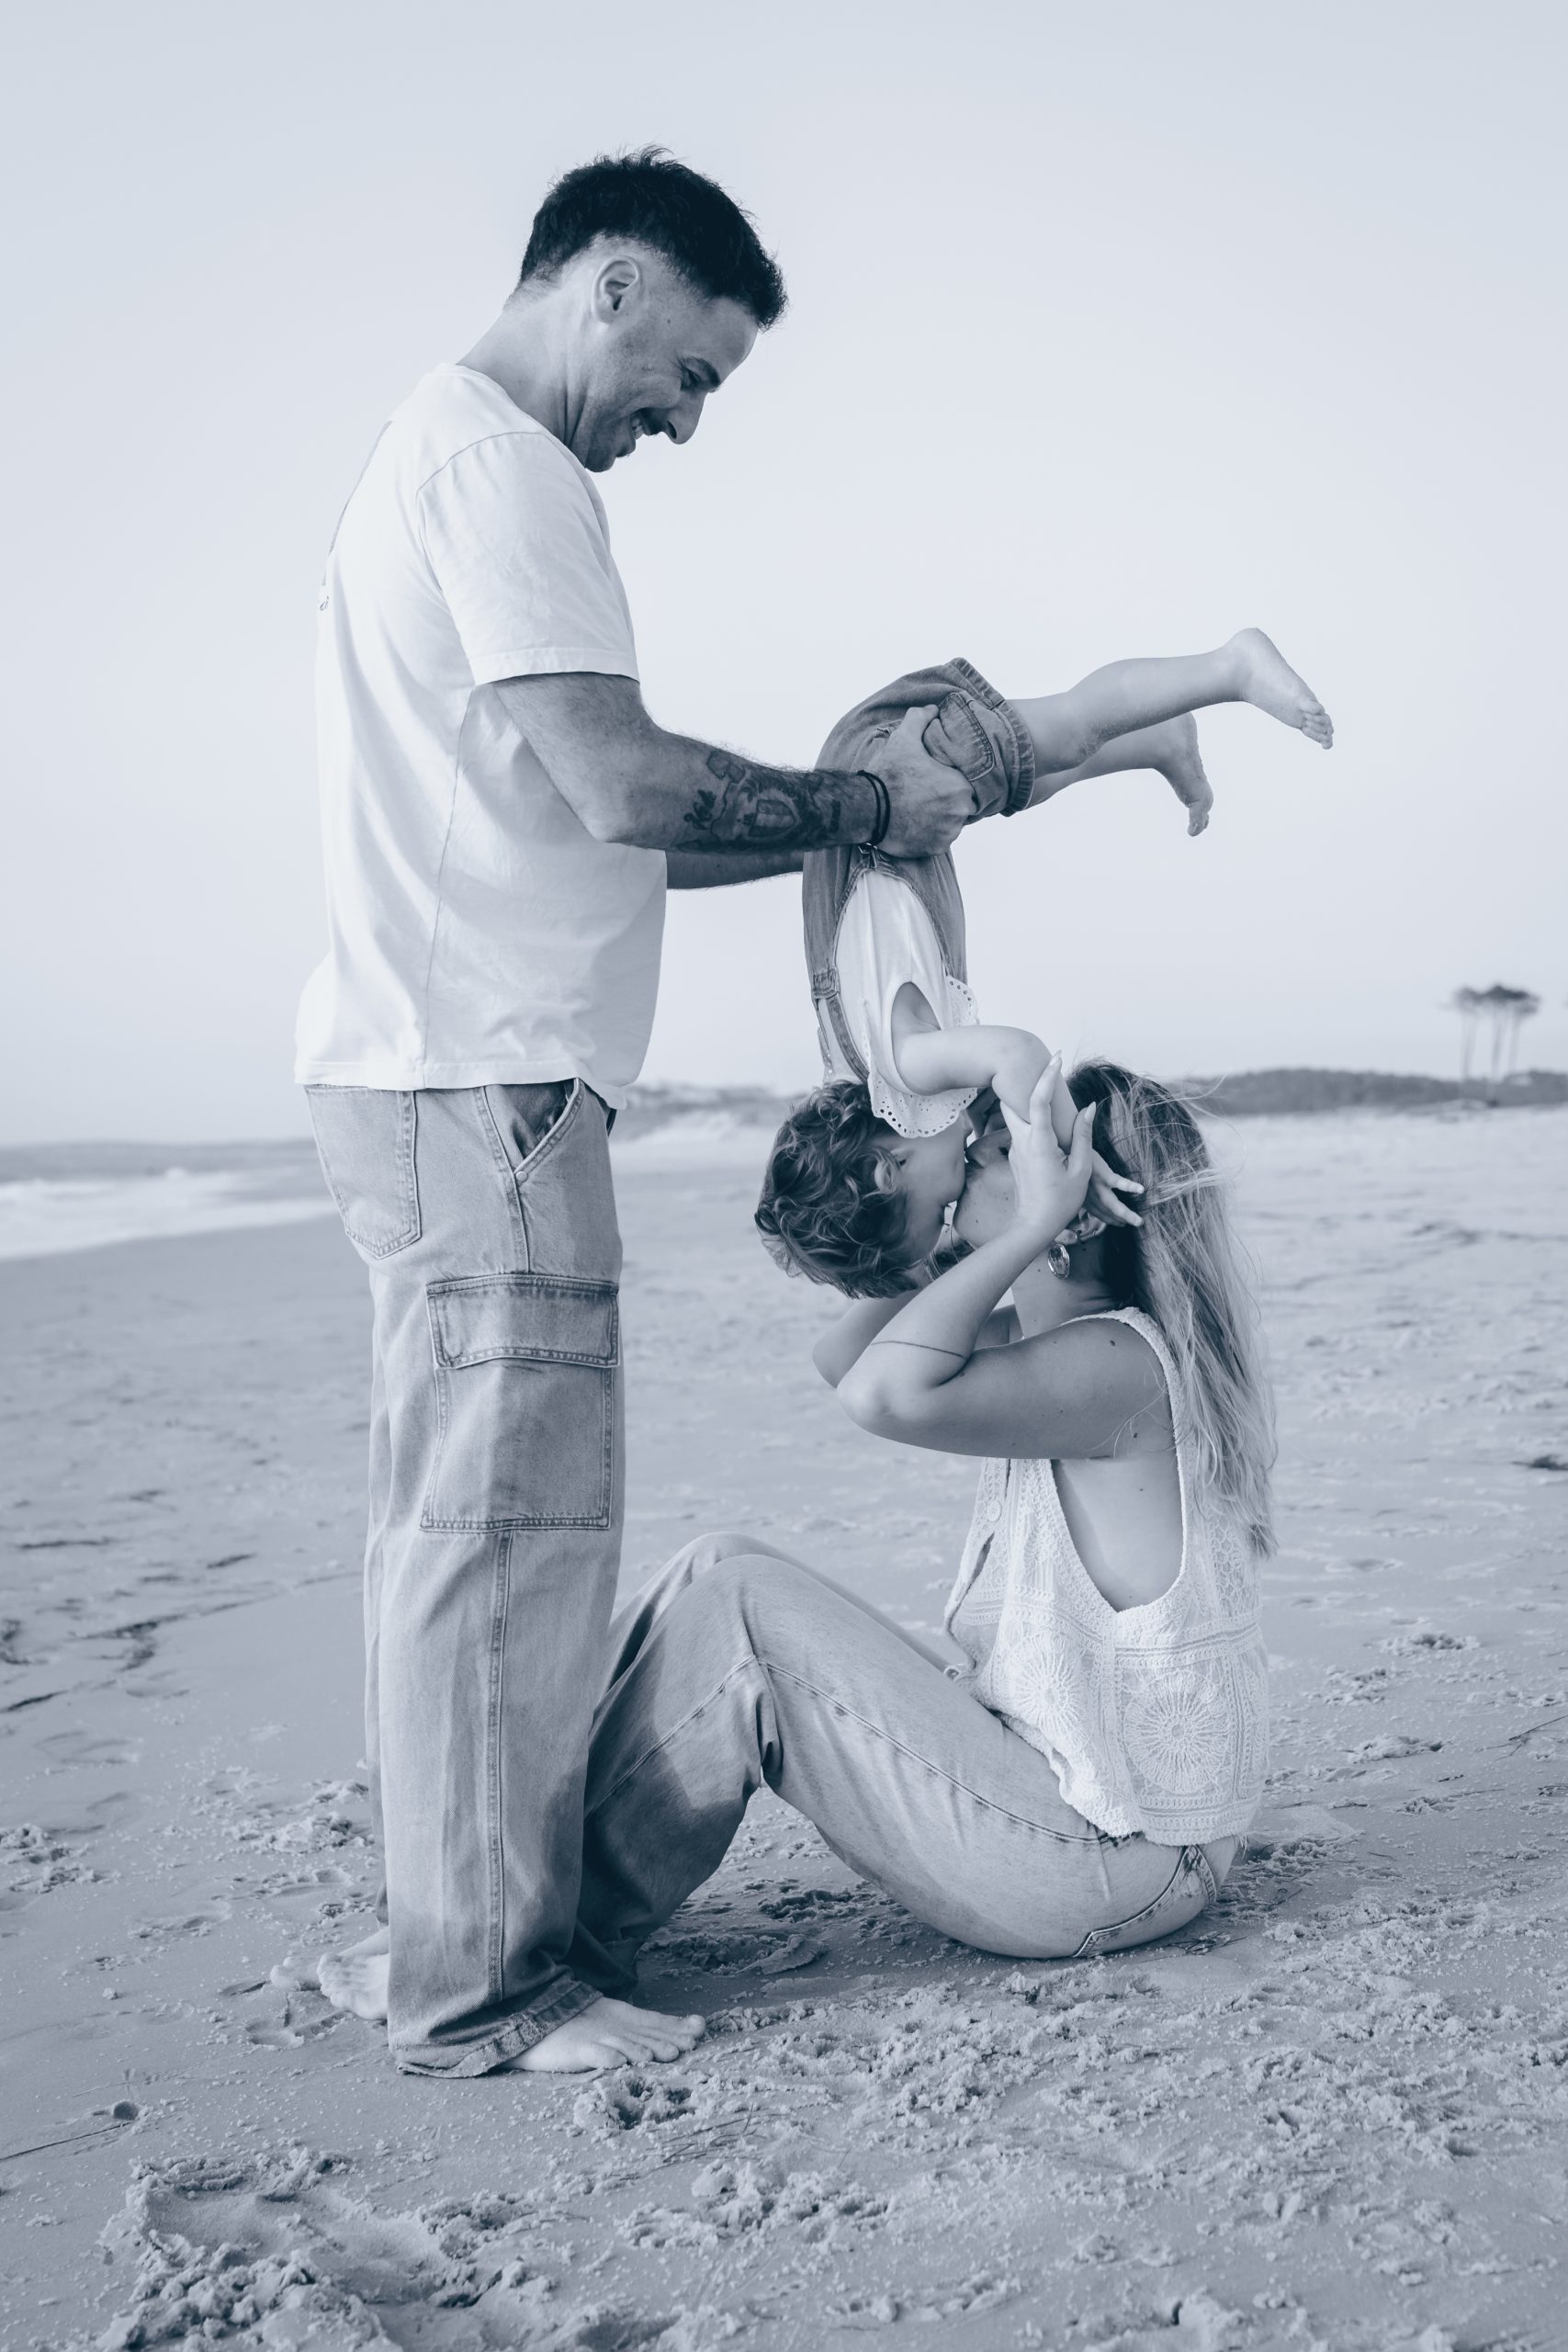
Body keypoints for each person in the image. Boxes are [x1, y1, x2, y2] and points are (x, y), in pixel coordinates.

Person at [297, 150, 976, 2077]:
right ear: (607, 282)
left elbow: (604, 829)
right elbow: (622, 785)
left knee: (460, 1540)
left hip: (439, 1073)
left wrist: (834, 840)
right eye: (691, 371)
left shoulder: (434, 455)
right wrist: (867, 806)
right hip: (483, 1081)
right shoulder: (500, 466)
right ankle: (480, 1994)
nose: (682, 421)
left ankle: (446, 1935)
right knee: (503, 1546)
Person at [569, 1058, 1272, 2005]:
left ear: (1076, 1211)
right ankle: (533, 1855)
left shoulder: (1117, 1363)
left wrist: (1024, 1225)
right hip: (1074, 1800)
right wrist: (973, 1228)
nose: (967, 1153)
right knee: (718, 1561)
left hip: (1114, 1860)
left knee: (743, 1611)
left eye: (997, 1150)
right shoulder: (1054, 1335)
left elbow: (879, 1392)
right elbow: (843, 1353)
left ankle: (556, 1933)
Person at [757, 635, 1331, 1297]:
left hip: (891, 771)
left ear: (893, 1168)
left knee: (1071, 724)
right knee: (1028, 771)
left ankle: (1229, 667)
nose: (955, 1199)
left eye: (937, 1209)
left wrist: (1068, 1162)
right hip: (875, 793)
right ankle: (1158, 739)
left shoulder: (905, 1065)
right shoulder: (865, 1077)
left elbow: (1017, 1054)